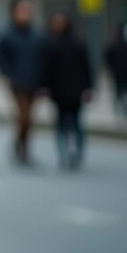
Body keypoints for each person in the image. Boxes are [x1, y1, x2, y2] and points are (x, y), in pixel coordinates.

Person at [0, 0, 44, 166]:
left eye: (28, 11)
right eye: (22, 11)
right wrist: (8, 74)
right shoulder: (6, 34)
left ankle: (22, 145)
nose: (25, 15)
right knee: (24, 116)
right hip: (17, 82)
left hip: (35, 82)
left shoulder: (37, 34)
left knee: (30, 118)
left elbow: (44, 58)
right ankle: (22, 149)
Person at [39, 12, 93, 170]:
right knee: (61, 123)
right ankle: (63, 152)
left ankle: (78, 150)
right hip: (58, 92)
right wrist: (45, 87)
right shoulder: (50, 44)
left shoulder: (77, 44)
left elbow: (87, 68)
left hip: (75, 91)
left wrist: (88, 88)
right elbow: (46, 70)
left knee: (76, 122)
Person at [104, 24, 127, 120]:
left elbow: (108, 59)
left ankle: (118, 110)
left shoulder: (113, 45)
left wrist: (112, 69)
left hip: (117, 74)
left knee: (118, 92)